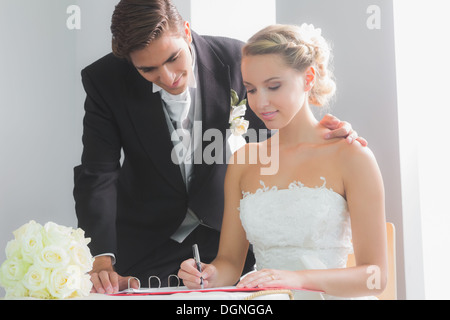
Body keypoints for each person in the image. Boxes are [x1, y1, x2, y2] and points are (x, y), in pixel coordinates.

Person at [73, 0, 365, 294]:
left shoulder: (240, 60)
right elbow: (98, 173)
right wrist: (101, 257)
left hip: (236, 242)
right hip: (149, 242)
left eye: (173, 58)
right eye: (149, 70)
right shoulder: (105, 80)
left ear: (186, 31)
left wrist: (325, 136)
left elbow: (283, 127)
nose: (168, 77)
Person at [178, 23, 387, 299]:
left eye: (273, 86)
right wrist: (207, 275)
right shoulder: (244, 160)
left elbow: (376, 276)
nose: (261, 102)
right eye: (251, 90)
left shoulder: (352, 156)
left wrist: (296, 280)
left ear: (308, 78)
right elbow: (229, 263)